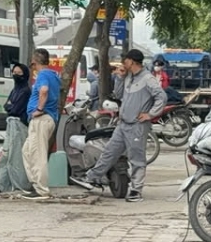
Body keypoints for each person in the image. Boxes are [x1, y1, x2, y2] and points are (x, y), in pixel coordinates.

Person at [72, 50, 167, 202]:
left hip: (137, 125)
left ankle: (136, 190)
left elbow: (161, 97)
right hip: (123, 124)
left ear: (133, 61)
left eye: (126, 60)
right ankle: (91, 177)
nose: (123, 63)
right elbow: (119, 93)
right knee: (109, 152)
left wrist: (150, 114)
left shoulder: (148, 79)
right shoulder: (128, 77)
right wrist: (120, 77)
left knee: (137, 158)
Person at [0, 63, 32, 199]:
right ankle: (4, 184)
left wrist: (11, 107)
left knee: (16, 157)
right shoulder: (15, 90)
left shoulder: (25, 91)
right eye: (14, 73)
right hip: (11, 125)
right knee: (6, 156)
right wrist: (10, 107)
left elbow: (15, 109)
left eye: (19, 73)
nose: (16, 75)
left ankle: (20, 184)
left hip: (19, 126)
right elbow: (7, 105)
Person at [21, 49, 60, 200]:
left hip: (41, 119)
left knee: (38, 155)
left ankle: (42, 190)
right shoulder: (54, 75)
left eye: (32, 64)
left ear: (35, 62)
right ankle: (35, 184)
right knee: (27, 151)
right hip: (45, 119)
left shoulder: (43, 75)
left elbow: (44, 90)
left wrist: (39, 109)